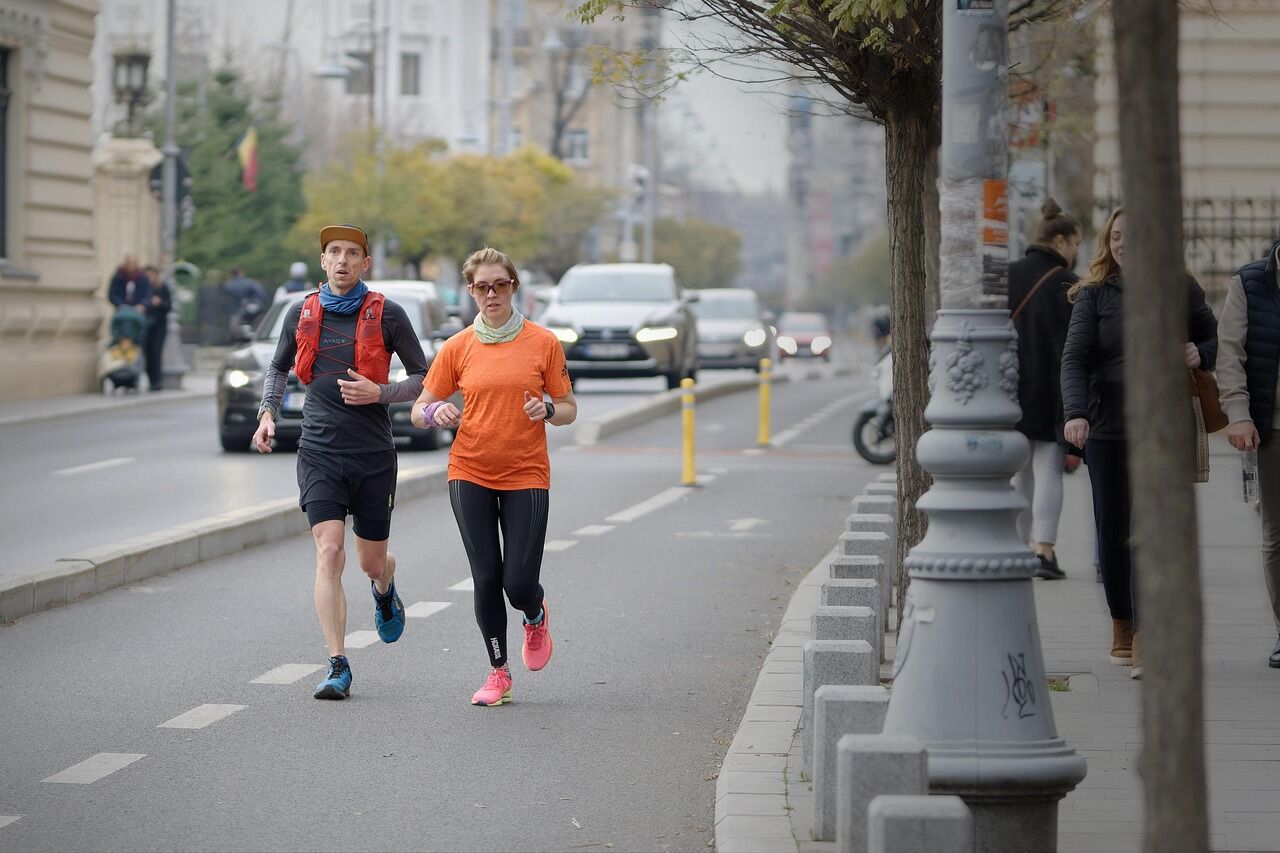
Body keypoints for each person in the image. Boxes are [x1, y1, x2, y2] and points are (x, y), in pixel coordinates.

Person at [252, 224, 429, 700]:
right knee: (329, 552)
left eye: (353, 253)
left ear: (365, 263)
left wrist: (380, 392)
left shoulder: (388, 314)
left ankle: (385, 584)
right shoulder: (300, 311)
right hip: (319, 452)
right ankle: (337, 664)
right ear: (323, 261)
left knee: (370, 562)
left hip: (373, 454)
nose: (343, 260)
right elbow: (278, 368)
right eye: (334, 252)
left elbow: (424, 378)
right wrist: (267, 413)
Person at [412, 247, 577, 707]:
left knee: (517, 583)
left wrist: (547, 409)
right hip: (470, 470)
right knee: (485, 577)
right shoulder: (458, 347)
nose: (491, 294)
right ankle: (498, 672)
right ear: (470, 291)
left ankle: (534, 613)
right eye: (482, 287)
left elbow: (569, 408)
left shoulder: (543, 343)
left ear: (513, 287)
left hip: (526, 472)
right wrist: (435, 411)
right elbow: (419, 410)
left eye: (499, 285)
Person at [1060, 207, 1218, 680]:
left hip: (1162, 427)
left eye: (1133, 235)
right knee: (1112, 532)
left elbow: (1214, 338)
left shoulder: (1180, 287)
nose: (1123, 243)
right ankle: (1123, 624)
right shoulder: (1094, 293)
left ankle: (1148, 635)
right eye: (1116, 236)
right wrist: (1075, 412)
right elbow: (1074, 359)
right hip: (1107, 426)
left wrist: (1199, 352)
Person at [1214, 235, 1280, 668]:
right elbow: (1229, 354)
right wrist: (1238, 414)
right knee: (1277, 534)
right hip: (1271, 429)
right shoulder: (1250, 283)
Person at [1008, 199, 1083, 581]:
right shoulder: (1070, 284)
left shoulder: (1008, 275)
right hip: (1055, 390)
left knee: (1020, 473)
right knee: (1049, 468)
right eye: (1076, 243)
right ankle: (1045, 551)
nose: (1076, 251)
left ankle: (1018, 550)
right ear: (1060, 241)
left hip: (1011, 389)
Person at [143, 264, 172, 392]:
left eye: (151, 274)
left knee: (156, 352)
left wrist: (159, 303)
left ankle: (157, 381)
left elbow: (168, 305)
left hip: (159, 325)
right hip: (145, 324)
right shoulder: (144, 287)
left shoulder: (162, 287)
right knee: (147, 352)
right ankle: (151, 380)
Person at [223, 267, 269, 337]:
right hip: (252, 309)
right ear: (241, 273)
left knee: (235, 329)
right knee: (258, 326)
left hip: (235, 311)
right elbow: (261, 294)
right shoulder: (250, 282)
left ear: (230, 275)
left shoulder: (228, 285)